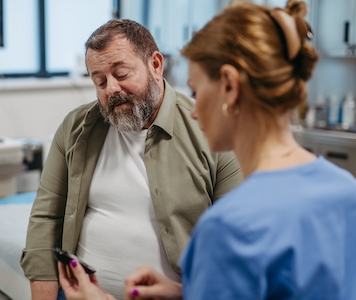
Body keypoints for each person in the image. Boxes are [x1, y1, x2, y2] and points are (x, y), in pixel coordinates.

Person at [57, 1, 356, 299]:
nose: (195, 111)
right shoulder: (345, 190)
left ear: (229, 86)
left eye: (197, 92)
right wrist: (184, 292)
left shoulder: (228, 228)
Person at [20, 18, 243, 300]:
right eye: (99, 81)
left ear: (156, 65)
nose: (111, 89)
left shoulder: (211, 131)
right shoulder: (76, 128)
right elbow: (46, 217)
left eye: (122, 73)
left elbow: (236, 247)